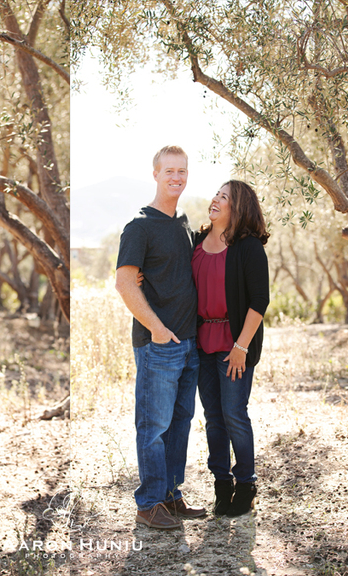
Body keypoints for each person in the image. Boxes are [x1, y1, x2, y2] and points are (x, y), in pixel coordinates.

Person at [115, 145, 205, 530]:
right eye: (169, 171)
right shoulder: (139, 226)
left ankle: (170, 494)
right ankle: (149, 502)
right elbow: (123, 283)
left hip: (190, 344)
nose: (176, 177)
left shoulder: (182, 224)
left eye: (182, 171)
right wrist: (156, 327)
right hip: (158, 344)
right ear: (155, 175)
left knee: (180, 422)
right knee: (153, 427)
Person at [191, 179, 269, 517]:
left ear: (238, 207)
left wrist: (241, 347)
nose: (216, 200)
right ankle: (221, 484)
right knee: (213, 418)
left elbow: (259, 301)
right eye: (216, 194)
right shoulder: (194, 241)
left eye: (224, 197)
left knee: (234, 414)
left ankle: (246, 483)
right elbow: (169, 272)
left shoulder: (248, 247)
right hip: (202, 343)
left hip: (234, 345)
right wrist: (137, 275)